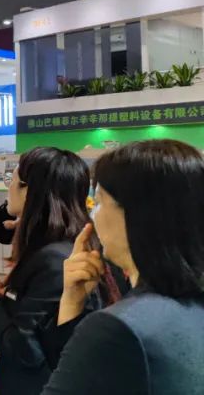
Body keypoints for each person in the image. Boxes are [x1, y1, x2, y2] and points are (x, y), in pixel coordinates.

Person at [42, 139, 204, 394]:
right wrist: (72, 303)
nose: (92, 215)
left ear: (137, 214)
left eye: (99, 202)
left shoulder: (119, 328)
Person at [0, 147, 99, 395]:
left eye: (11, 180)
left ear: (28, 191)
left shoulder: (54, 261)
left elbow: (26, 349)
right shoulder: (56, 249)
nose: (8, 188)